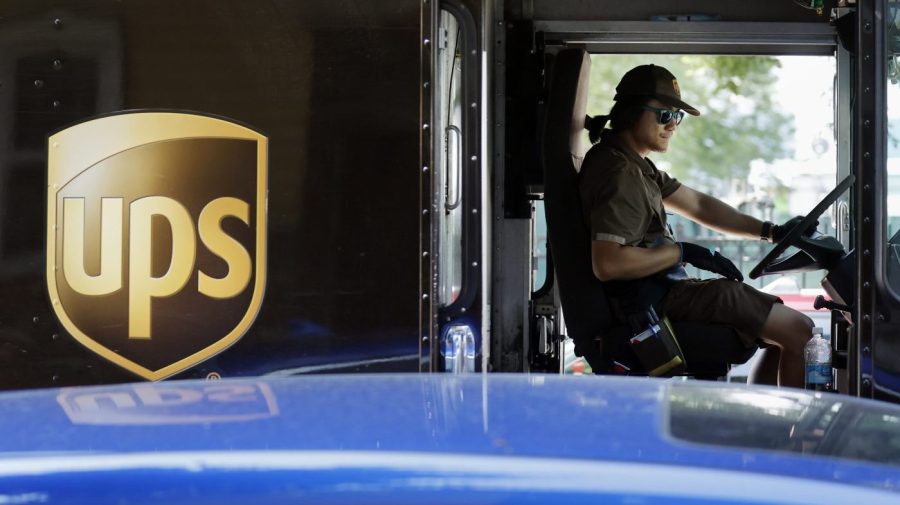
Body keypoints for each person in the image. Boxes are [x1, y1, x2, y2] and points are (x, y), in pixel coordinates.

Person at [579, 64, 813, 387]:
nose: (673, 125)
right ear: (633, 112)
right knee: (801, 333)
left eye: (677, 116)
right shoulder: (620, 174)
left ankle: (764, 427)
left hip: (667, 293)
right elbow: (608, 263)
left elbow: (700, 205)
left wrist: (771, 230)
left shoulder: (635, 166)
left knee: (779, 335)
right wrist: (680, 251)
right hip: (655, 304)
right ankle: (795, 439)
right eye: (664, 115)